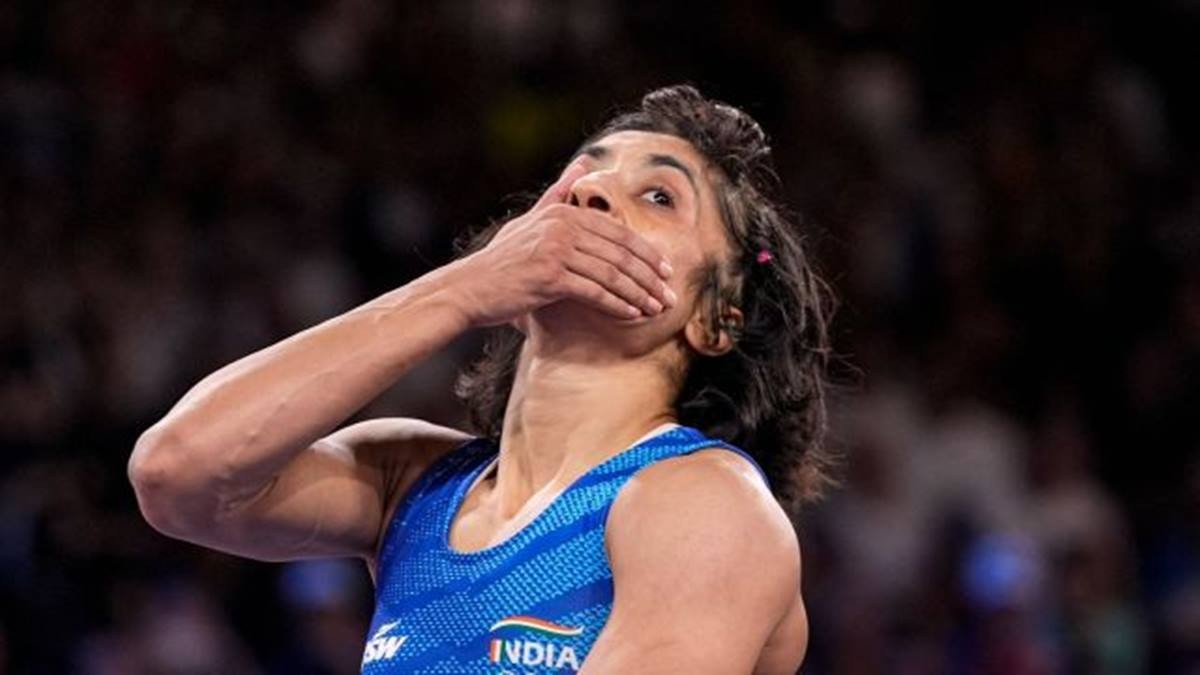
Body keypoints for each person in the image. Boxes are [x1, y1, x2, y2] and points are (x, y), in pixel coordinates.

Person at [128, 85, 834, 674]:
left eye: (658, 196)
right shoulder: (413, 482)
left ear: (714, 319)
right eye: (579, 179)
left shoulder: (707, 502)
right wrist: (462, 289)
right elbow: (176, 471)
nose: (589, 196)